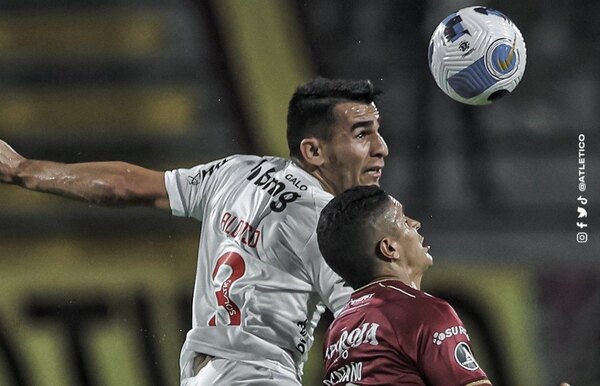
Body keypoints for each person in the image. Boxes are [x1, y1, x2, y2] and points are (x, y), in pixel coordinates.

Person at [0, 78, 389, 385]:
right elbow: (375, 333)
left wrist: (26, 170)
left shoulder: (236, 173)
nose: (381, 148)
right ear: (314, 151)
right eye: (361, 134)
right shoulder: (336, 224)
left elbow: (126, 186)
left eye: (376, 131)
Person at [317, 184, 492, 386]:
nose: (415, 223)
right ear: (389, 248)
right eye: (403, 221)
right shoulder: (425, 312)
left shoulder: (337, 331)